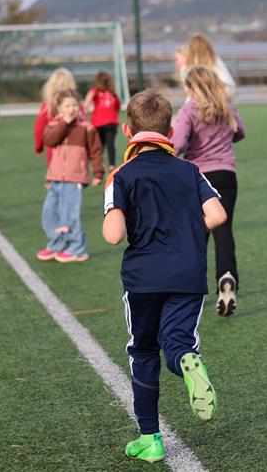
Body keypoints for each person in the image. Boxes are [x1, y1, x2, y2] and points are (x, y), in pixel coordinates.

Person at [102, 89, 227, 464]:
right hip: (188, 272)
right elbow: (217, 215)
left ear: (127, 130)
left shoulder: (121, 174)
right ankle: (187, 360)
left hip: (144, 278)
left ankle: (150, 438)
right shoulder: (190, 170)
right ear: (170, 130)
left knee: (143, 351)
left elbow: (112, 234)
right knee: (177, 341)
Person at [171, 65, 246, 316]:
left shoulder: (190, 109)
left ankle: (191, 288)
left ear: (191, 88)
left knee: (197, 234)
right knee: (224, 230)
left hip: (198, 176)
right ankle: (226, 276)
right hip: (226, 174)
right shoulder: (225, 106)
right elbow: (240, 131)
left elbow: (178, 143)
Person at [37, 90, 104, 264]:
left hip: (74, 180)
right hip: (55, 178)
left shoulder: (86, 128)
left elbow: (96, 151)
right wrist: (63, 125)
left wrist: (98, 173)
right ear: (59, 108)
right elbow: (49, 141)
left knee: (70, 215)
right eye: (67, 106)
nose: (71, 109)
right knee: (49, 213)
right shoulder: (54, 125)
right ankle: (57, 244)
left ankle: (77, 249)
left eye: (75, 105)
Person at [34, 68, 81, 166]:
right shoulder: (76, 106)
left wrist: (39, 146)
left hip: (54, 150)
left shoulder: (47, 107)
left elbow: (39, 128)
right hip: (76, 148)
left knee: (54, 175)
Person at [175, 33, 236, 98]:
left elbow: (189, 89)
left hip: (214, 96)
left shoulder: (192, 64)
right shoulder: (215, 60)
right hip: (220, 95)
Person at [83, 71, 122, 170]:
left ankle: (99, 164)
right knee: (111, 145)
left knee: (99, 145)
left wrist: (85, 111)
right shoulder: (113, 94)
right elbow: (117, 107)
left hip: (98, 123)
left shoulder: (95, 90)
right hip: (111, 123)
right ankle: (111, 165)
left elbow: (86, 102)